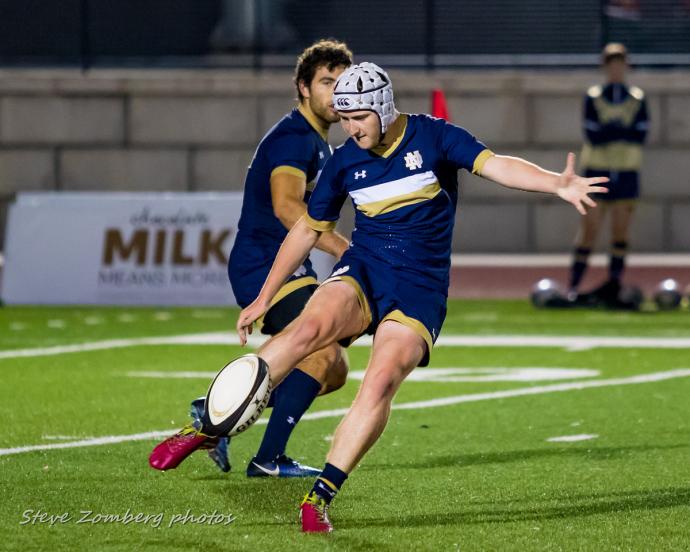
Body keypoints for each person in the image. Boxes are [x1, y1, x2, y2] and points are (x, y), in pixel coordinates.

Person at [231, 62, 608, 532]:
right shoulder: (346, 159)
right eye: (344, 118)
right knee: (309, 328)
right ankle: (210, 423)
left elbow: (497, 165)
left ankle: (319, 497)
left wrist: (555, 182)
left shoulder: (434, 137)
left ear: (385, 108)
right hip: (365, 268)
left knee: (381, 378)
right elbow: (308, 228)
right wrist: (265, 296)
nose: (350, 128)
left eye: (359, 117)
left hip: (420, 286)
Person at [149, 39, 353, 477]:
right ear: (303, 87)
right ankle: (266, 458)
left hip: (285, 263)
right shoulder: (293, 139)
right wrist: (342, 248)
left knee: (333, 371)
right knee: (320, 352)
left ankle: (217, 414)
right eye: (326, 82)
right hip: (264, 261)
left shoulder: (318, 142)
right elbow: (286, 207)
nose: (336, 92)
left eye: (343, 83)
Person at [568, 43, 649, 305]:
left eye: (620, 64)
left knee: (621, 232)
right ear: (605, 67)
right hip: (597, 171)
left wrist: (612, 131)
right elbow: (593, 135)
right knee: (589, 230)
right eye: (611, 64)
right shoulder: (593, 96)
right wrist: (619, 131)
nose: (616, 70)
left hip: (626, 171)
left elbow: (640, 134)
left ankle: (614, 283)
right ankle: (574, 286)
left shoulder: (637, 97)